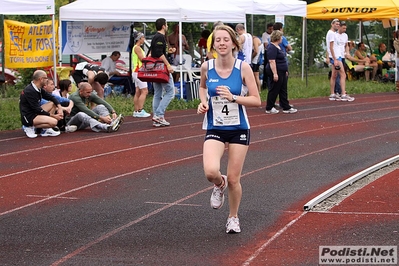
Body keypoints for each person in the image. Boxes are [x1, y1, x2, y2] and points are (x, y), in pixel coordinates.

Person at [197, 25, 261, 234]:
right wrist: (203, 102)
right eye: (218, 40)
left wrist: (233, 97)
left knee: (235, 179)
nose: (222, 43)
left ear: (234, 43)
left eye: (226, 40)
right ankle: (219, 183)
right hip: (215, 126)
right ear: (213, 44)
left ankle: (233, 217)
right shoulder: (207, 67)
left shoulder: (243, 68)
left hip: (238, 128)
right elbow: (203, 87)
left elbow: (256, 100)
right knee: (210, 172)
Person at [19, 70, 63, 138]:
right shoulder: (30, 91)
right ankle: (28, 126)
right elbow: (37, 110)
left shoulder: (38, 88)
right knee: (54, 122)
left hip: (35, 113)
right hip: (29, 116)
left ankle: (45, 130)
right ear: (41, 79)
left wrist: (59, 107)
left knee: (52, 103)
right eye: (46, 78)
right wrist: (54, 116)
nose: (47, 80)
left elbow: (51, 97)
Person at [149, 18, 175, 127]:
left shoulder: (155, 37)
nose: (167, 26)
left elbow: (153, 52)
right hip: (161, 68)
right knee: (170, 91)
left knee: (157, 93)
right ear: (163, 26)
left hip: (155, 68)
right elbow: (159, 53)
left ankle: (157, 117)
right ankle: (159, 115)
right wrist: (168, 65)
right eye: (167, 24)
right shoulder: (160, 37)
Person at [265, 30, 297, 114]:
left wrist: (285, 70)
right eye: (281, 37)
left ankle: (286, 106)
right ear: (278, 38)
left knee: (283, 89)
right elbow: (272, 61)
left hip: (282, 71)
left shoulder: (278, 47)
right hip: (276, 70)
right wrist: (275, 73)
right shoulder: (271, 47)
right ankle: (269, 107)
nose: (282, 38)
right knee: (274, 89)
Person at [326, 19, 354, 102]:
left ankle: (333, 94)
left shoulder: (334, 34)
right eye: (336, 24)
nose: (337, 25)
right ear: (332, 24)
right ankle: (343, 94)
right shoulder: (331, 34)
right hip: (336, 57)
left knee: (334, 75)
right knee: (343, 75)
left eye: (338, 24)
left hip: (338, 56)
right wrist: (334, 59)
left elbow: (339, 46)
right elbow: (331, 47)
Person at [131, 31, 151, 118]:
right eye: (143, 37)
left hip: (136, 72)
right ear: (139, 38)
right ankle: (140, 110)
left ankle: (136, 110)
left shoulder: (137, 47)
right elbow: (143, 59)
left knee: (138, 91)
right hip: (139, 72)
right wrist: (150, 56)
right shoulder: (137, 48)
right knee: (144, 91)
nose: (144, 39)